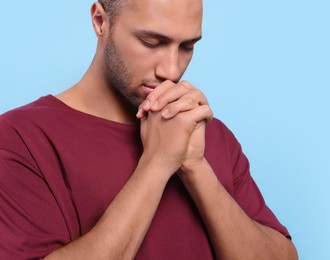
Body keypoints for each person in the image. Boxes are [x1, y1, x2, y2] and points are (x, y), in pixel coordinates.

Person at [0, 0, 298, 259]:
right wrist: (157, 164)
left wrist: (195, 166)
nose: (171, 70)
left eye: (187, 46)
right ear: (101, 21)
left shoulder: (209, 132)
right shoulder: (22, 138)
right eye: (152, 42)